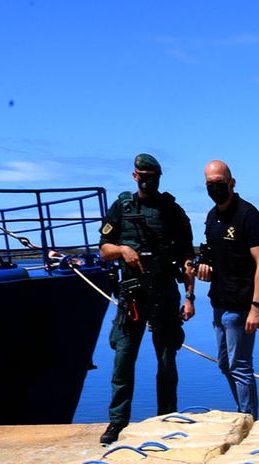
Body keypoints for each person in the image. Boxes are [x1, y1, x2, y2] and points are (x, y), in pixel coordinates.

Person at [96, 153, 195, 445]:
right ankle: (117, 422)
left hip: (164, 292)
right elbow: (103, 249)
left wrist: (189, 297)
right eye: (144, 175)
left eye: (154, 176)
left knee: (167, 360)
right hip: (132, 296)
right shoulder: (122, 207)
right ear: (134, 175)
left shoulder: (172, 211)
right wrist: (123, 250)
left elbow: (188, 257)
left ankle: (166, 418)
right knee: (123, 359)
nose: (148, 181)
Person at [196, 160, 259, 419]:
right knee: (224, 364)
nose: (214, 188)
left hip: (242, 305)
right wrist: (204, 267)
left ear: (232, 182)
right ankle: (242, 412)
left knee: (240, 366)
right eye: (209, 184)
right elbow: (214, 255)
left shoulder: (248, 215)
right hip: (219, 302)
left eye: (219, 183)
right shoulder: (211, 216)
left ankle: (248, 418)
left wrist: (256, 307)